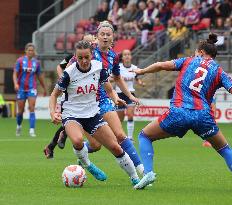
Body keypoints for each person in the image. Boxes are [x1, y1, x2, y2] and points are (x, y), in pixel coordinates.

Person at [132, 33, 232, 189]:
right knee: (224, 149)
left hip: (179, 112)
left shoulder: (188, 61)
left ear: (200, 52)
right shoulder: (220, 72)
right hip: (203, 116)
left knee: (144, 135)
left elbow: (160, 65)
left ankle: (148, 173)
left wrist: (142, 71)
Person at [49, 40, 140, 185]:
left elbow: (109, 88)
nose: (84, 61)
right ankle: (87, 164)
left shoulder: (99, 68)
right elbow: (54, 95)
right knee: (78, 140)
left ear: (92, 55)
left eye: (87, 57)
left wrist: (115, 97)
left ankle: (135, 179)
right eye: (80, 58)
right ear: (75, 57)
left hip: (92, 114)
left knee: (115, 146)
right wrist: (53, 113)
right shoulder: (69, 73)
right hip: (72, 114)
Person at [84, 21, 145, 175]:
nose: (105, 37)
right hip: (85, 101)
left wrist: (130, 95)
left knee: (120, 135)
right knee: (96, 145)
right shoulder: (89, 51)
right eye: (102, 34)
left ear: (113, 37)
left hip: (103, 99)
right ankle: (81, 152)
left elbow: (117, 78)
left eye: (108, 34)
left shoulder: (114, 56)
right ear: (97, 37)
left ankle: (142, 171)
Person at [13, 43, 46, 137]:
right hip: (21, 89)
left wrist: (44, 88)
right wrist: (15, 83)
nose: (30, 52)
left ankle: (32, 130)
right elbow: (15, 73)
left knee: (32, 108)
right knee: (20, 110)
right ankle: (19, 126)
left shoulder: (37, 63)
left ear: (34, 51)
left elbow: (39, 76)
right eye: (29, 50)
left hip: (32, 88)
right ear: (26, 51)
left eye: (32, 50)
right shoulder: (20, 61)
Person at [43, 54, 73, 158]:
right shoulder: (72, 57)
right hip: (71, 96)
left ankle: (51, 146)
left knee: (73, 123)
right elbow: (60, 66)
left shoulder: (97, 58)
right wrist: (62, 78)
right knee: (73, 122)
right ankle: (64, 133)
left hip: (88, 97)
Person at [115, 49, 145, 141]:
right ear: (122, 57)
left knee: (130, 114)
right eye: (125, 54)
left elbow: (136, 78)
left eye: (129, 54)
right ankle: (119, 136)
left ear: (131, 57)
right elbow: (113, 78)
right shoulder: (118, 67)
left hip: (130, 94)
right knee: (120, 118)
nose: (127, 56)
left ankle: (130, 137)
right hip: (120, 94)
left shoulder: (134, 68)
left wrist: (140, 82)